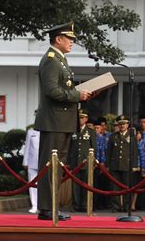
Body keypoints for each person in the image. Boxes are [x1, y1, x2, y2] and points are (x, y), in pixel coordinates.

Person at [34, 22, 92, 221]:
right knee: (50, 165)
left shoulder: (61, 60)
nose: (72, 43)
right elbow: (51, 91)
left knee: (57, 166)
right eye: (69, 39)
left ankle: (51, 206)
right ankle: (46, 208)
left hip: (62, 121)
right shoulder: (51, 60)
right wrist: (77, 95)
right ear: (58, 39)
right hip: (54, 121)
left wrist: (79, 94)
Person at [106, 115, 139, 212]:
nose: (122, 126)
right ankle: (115, 206)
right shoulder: (113, 136)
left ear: (128, 125)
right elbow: (109, 152)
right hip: (115, 165)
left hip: (127, 165)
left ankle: (126, 206)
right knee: (115, 187)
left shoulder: (132, 136)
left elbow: (134, 152)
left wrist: (134, 165)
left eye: (124, 124)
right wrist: (107, 165)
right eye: (120, 124)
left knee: (126, 187)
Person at [68, 109, 96, 212]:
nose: (80, 120)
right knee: (75, 185)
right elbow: (69, 147)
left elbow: (94, 147)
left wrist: (93, 161)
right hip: (75, 162)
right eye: (79, 117)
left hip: (86, 162)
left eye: (82, 118)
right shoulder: (73, 131)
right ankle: (76, 205)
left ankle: (84, 205)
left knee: (86, 184)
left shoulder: (91, 132)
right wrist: (68, 163)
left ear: (86, 119)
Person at [23, 116, 40, 214]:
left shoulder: (47, 132)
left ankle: (43, 205)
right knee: (32, 184)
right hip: (32, 162)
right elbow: (27, 147)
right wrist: (25, 162)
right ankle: (34, 205)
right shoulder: (31, 132)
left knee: (44, 185)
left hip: (44, 163)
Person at [94, 116, 110, 210]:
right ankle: (97, 203)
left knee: (104, 184)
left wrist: (103, 163)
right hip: (96, 163)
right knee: (96, 184)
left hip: (103, 163)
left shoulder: (107, 136)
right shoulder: (96, 137)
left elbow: (104, 151)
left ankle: (104, 203)